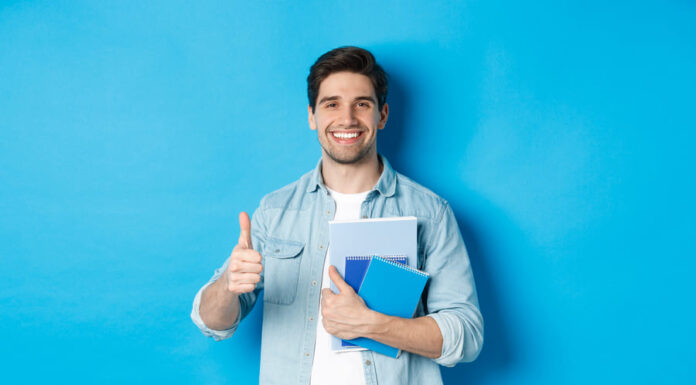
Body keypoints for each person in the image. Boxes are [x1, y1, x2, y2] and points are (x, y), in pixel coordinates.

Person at [191, 46, 483, 385]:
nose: (347, 119)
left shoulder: (430, 213)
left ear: (382, 115)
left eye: (362, 104)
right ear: (312, 116)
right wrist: (228, 287)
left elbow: (467, 334)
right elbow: (210, 322)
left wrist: (371, 324)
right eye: (332, 104)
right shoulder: (275, 212)